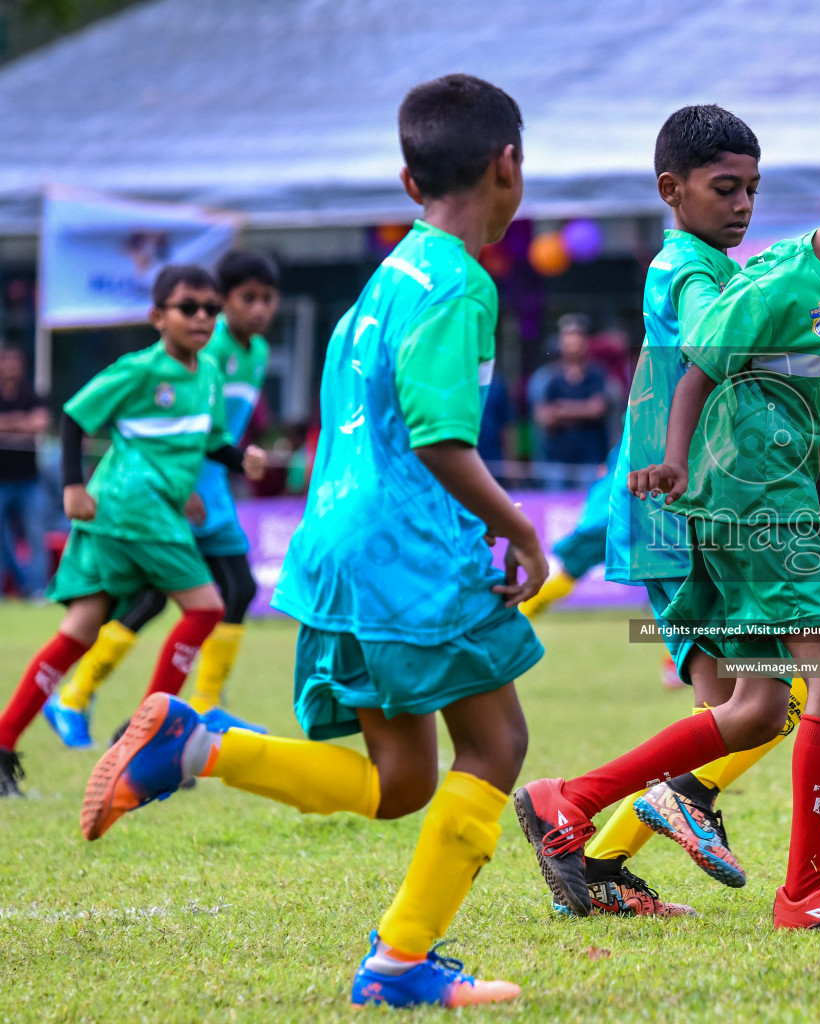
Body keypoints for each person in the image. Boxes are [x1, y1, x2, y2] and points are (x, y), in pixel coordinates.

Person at [78, 75, 544, 1009]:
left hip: (332, 547)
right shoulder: (458, 283)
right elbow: (441, 439)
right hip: (407, 552)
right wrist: (522, 531)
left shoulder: (385, 279)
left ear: (408, 184)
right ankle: (402, 963)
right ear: (508, 166)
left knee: (403, 778)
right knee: (496, 746)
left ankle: (199, 746)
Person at [515, 123, 820, 930]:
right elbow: (706, 357)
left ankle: (576, 806)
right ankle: (800, 888)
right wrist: (681, 460)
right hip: (730, 503)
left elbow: (790, 379)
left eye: (752, 189)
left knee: (757, 707)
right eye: (727, 188)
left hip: (733, 496)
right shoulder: (713, 274)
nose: (744, 204)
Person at [0, 265, 267, 796]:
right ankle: (147, 739)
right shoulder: (140, 369)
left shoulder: (208, 376)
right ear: (156, 316)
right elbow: (75, 417)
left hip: (144, 512)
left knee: (80, 631)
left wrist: (241, 460)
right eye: (188, 307)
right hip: (129, 507)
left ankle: (4, 743)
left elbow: (206, 442)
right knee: (209, 606)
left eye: (211, 309)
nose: (202, 317)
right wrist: (73, 487)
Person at [532, 313, 610, 488]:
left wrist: (561, 409)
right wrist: (583, 410)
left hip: (590, 462)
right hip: (556, 463)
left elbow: (598, 409)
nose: (572, 345)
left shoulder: (597, 375)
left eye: (577, 339)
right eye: (568, 340)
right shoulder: (547, 377)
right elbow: (544, 418)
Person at [0, 345, 49, 598]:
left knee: (35, 536)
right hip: (1, 479)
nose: (11, 367)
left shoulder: (32, 394)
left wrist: (8, 425)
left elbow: (40, 423)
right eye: (6, 362)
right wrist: (23, 424)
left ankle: (37, 590)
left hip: (29, 479)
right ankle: (14, 585)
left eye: (15, 362)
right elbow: (30, 424)